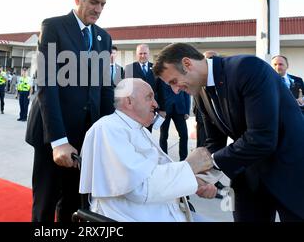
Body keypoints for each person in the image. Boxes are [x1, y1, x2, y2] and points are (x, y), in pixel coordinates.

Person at [153, 42, 304, 222]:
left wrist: (212, 164)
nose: (175, 90)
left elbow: (261, 138)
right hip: (248, 173)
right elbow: (213, 143)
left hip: (290, 168)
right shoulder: (200, 92)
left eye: (174, 81)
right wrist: (200, 177)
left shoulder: (247, 68)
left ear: (187, 64)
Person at [25, 0, 114, 222]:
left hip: (85, 136)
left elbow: (104, 88)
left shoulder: (103, 38)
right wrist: (58, 140)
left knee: (73, 204)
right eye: (94, 2)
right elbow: (47, 83)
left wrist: (108, 133)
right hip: (53, 133)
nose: (98, 9)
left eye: (103, 4)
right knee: (45, 203)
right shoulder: (53, 27)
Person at [79, 78, 217, 222]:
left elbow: (159, 171)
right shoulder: (108, 129)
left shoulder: (140, 130)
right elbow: (140, 188)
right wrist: (189, 165)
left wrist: (195, 182)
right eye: (149, 97)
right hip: (132, 216)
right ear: (129, 101)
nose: (156, 104)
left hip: (161, 211)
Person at [155, 79, 191, 161]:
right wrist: (159, 109)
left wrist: (187, 111)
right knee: (164, 135)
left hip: (180, 109)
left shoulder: (180, 73)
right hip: (165, 109)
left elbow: (186, 93)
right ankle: (164, 159)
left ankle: (183, 159)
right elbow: (157, 92)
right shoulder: (161, 76)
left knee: (184, 135)